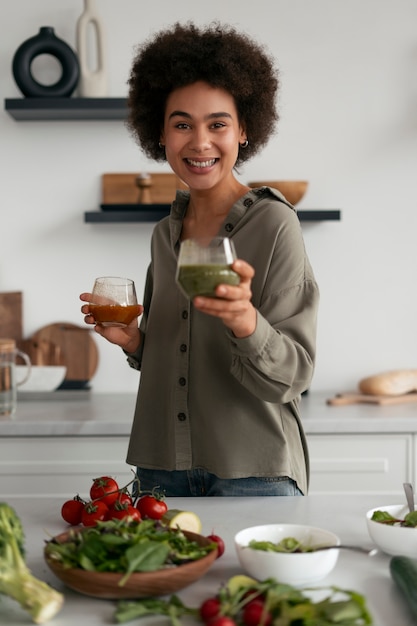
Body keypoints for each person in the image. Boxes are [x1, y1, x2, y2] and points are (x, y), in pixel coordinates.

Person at [80, 22, 319, 497]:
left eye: (218, 124)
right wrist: (135, 341)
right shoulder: (164, 235)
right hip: (161, 469)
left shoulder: (275, 226)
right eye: (182, 124)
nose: (200, 142)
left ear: (244, 128)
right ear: (161, 134)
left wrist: (246, 321)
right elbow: (180, 354)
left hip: (254, 473)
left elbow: (295, 374)